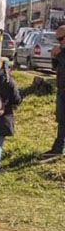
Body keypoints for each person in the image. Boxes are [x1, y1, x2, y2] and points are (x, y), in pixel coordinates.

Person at [43, 25, 65, 158]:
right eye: (58, 39)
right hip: (61, 89)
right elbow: (55, 68)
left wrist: (60, 54)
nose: (60, 41)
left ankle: (58, 148)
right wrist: (54, 56)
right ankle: (58, 147)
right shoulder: (61, 51)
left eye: (61, 38)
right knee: (61, 119)